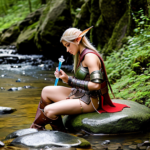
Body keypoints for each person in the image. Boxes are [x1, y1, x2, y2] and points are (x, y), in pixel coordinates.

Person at [30, 26, 129, 132]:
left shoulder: (90, 57)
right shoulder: (81, 55)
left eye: (68, 45)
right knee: (46, 91)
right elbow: (84, 79)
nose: (67, 50)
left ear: (77, 40)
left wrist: (69, 80)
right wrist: (65, 78)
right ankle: (46, 129)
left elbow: (96, 85)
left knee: (49, 110)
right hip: (79, 94)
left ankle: (46, 130)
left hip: (90, 101)